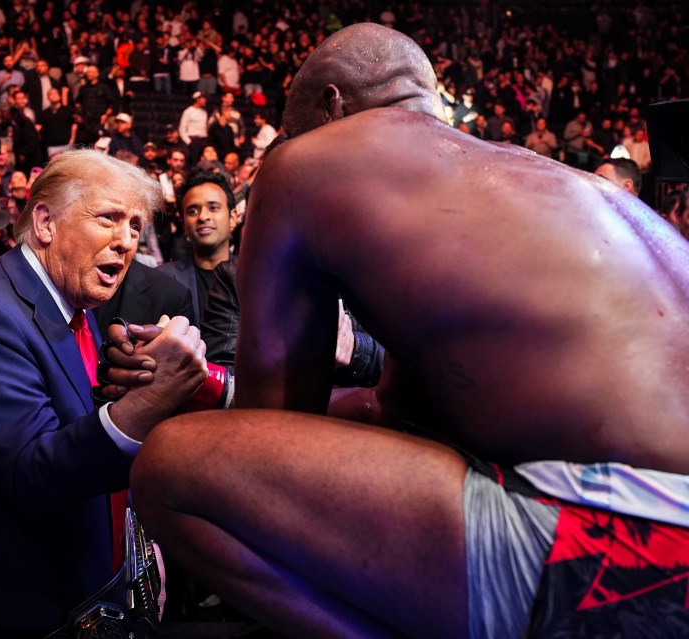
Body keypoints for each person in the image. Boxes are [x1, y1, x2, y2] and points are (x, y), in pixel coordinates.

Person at [130, 23, 689, 639]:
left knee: (170, 467)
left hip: (631, 542)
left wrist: (194, 399)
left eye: (292, 130)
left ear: (332, 106)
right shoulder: (547, 182)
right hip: (650, 513)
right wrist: (216, 387)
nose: (288, 146)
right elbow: (389, 406)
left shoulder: (307, 162)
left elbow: (279, 422)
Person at [0, 149, 209, 638]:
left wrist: (128, 386)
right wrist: (152, 398)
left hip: (72, 597)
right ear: (45, 222)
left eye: (136, 226)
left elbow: (80, 436)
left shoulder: (72, 310)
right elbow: (35, 470)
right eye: (108, 219)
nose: (126, 242)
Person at [158, 172, 236, 325]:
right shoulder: (162, 279)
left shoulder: (256, 277)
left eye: (213, 208)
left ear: (232, 218)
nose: (203, 217)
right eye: (192, 211)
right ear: (184, 226)